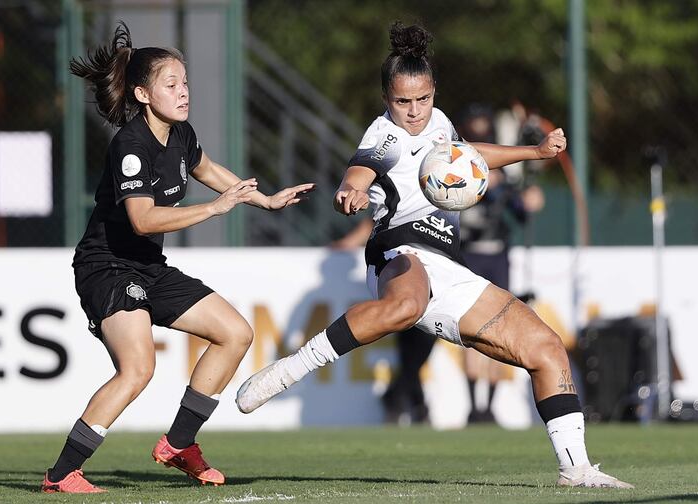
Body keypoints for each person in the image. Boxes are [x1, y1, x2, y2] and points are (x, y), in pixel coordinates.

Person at [237, 22, 633, 489]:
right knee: (406, 306)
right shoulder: (384, 136)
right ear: (387, 99)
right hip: (399, 253)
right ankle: (289, 370)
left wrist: (535, 151)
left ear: (433, 92)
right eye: (402, 102)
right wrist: (351, 192)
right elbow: (359, 171)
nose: (414, 111)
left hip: (447, 266)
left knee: (546, 350)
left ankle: (577, 470)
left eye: (422, 99)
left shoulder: (440, 121)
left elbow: (468, 154)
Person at [41, 22, 313, 494]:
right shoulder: (130, 145)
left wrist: (262, 199)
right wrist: (215, 208)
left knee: (235, 333)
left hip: (147, 267)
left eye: (185, 83)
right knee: (138, 368)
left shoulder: (181, 135)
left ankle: (178, 443)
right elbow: (143, 220)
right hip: (105, 266)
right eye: (172, 85)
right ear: (144, 94)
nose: (183, 92)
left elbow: (208, 170)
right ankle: (62, 473)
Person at [456, 104, 545, 424]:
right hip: (469, 254)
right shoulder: (456, 170)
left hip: (498, 256)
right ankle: (473, 406)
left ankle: (489, 406)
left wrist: (526, 200)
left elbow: (519, 213)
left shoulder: (504, 178)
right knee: (469, 331)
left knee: (497, 328)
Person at [331, 218, 436, 425]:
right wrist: (346, 243)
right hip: (403, 277)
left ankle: (402, 399)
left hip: (433, 277)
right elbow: (372, 221)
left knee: (417, 352)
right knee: (409, 350)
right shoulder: (403, 195)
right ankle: (415, 406)